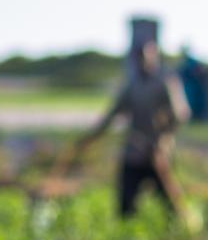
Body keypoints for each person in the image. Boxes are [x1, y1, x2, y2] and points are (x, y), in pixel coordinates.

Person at [77, 41, 189, 217]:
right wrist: (91, 138)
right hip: (134, 152)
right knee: (126, 203)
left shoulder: (164, 83)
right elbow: (112, 114)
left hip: (156, 154)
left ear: (153, 57)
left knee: (169, 202)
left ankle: (183, 232)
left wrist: (160, 140)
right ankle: (128, 235)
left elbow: (180, 115)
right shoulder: (133, 85)